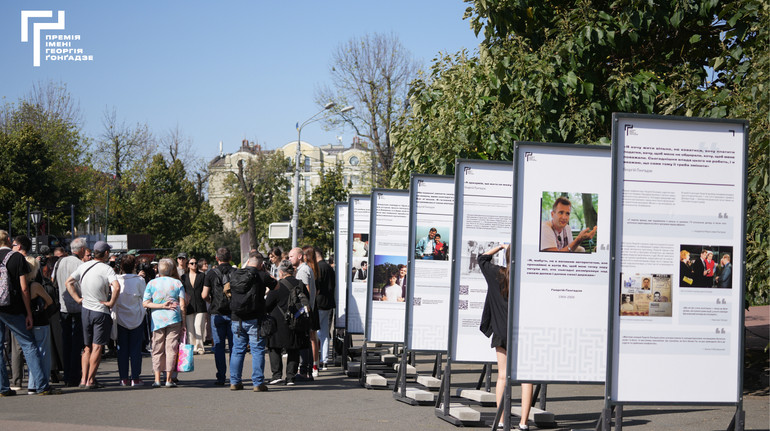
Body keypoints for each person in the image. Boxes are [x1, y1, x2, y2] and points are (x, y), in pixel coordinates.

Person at [478, 243, 532, 430]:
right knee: (526, 378)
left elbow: (482, 258)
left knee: (502, 376)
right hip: (524, 333)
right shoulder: (527, 278)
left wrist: (501, 247)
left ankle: (501, 420)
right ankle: (523, 423)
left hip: (501, 332)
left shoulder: (497, 274)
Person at [0, 230, 60, 396]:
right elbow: (24, 287)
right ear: (9, 240)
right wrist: (28, 312)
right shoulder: (16, 257)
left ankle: (2, 387)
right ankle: (41, 385)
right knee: (28, 344)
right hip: (12, 307)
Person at [65, 240, 120, 389]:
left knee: (87, 347)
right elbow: (116, 287)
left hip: (86, 310)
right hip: (100, 311)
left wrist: (77, 299)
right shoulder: (107, 269)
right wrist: (111, 303)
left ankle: (83, 379)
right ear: (106, 253)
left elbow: (68, 282)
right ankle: (91, 380)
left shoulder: (83, 266)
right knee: (97, 347)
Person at [228, 253, 268, 392]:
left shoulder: (235, 274)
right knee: (257, 351)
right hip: (255, 319)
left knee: (237, 351)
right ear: (261, 264)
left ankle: (234, 382)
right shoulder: (262, 275)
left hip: (236, 318)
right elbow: (276, 287)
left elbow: (226, 290)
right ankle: (257, 383)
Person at [143, 258, 186, 388]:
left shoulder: (151, 283)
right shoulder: (178, 283)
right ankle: (169, 378)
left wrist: (160, 305)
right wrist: (183, 322)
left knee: (157, 348)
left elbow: (145, 303)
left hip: (157, 320)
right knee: (171, 348)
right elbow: (183, 305)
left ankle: (157, 379)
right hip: (174, 318)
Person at [266, 260, 309, 386]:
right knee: (294, 349)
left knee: (274, 348)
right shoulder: (300, 285)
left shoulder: (277, 286)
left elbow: (267, 305)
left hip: (278, 323)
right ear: (293, 271)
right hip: (296, 321)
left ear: (281, 272)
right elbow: (307, 302)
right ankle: (290, 377)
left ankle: (277, 375)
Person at [53, 237, 87, 387]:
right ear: (81, 250)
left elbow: (54, 280)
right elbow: (83, 285)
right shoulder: (80, 264)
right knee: (77, 343)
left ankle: (67, 374)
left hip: (63, 306)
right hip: (78, 306)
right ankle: (74, 375)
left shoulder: (59, 262)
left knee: (66, 342)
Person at [201, 247, 234, 385]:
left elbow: (204, 295)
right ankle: (234, 377)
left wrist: (212, 301)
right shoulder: (236, 272)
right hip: (233, 313)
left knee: (219, 346)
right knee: (234, 346)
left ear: (217, 258)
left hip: (217, 312)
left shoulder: (211, 274)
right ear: (230, 258)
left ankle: (221, 377)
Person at [24, 256, 56, 394]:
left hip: (23, 322)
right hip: (40, 321)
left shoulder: (20, 284)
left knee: (30, 353)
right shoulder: (35, 285)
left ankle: (32, 384)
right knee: (42, 353)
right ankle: (40, 382)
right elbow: (49, 301)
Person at [114, 255, 147, 387]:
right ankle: (135, 377)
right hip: (136, 318)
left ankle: (123, 378)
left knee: (122, 349)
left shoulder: (117, 279)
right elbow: (145, 299)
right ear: (134, 266)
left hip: (121, 318)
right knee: (135, 349)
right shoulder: (139, 280)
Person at [289, 246, 316, 379]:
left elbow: (306, 291)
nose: (289, 259)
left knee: (304, 341)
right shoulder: (303, 269)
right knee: (306, 341)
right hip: (307, 310)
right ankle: (307, 371)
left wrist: (302, 311)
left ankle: (305, 371)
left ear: (299, 256)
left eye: (291, 256)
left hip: (304, 312)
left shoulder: (303, 271)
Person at [313, 246, 335, 370]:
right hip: (329, 303)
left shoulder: (319, 268)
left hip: (319, 302)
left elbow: (317, 287)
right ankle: (324, 359)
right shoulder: (329, 268)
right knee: (325, 333)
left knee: (316, 332)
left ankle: (317, 359)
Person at [182, 257, 207, 355]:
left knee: (198, 326)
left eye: (196, 263)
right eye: (192, 263)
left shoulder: (202, 276)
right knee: (190, 328)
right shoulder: (184, 277)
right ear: (188, 265)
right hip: (189, 305)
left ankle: (200, 347)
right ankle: (191, 347)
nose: (194, 265)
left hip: (200, 304)